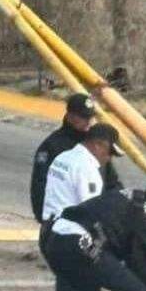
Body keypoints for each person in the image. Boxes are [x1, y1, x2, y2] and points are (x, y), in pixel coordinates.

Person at [40, 123, 124, 291]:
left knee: (67, 290)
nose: (108, 159)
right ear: (98, 144)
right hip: (71, 236)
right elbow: (91, 210)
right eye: (109, 152)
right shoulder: (87, 168)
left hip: (50, 230)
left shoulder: (64, 157)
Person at [30, 94, 119, 224]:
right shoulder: (53, 146)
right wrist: (44, 218)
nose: (88, 121)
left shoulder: (95, 144)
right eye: (84, 117)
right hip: (63, 220)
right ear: (71, 116)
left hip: (95, 215)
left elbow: (111, 180)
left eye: (90, 117)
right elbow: (40, 184)